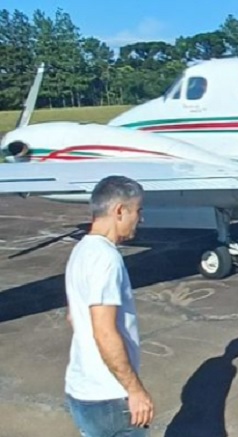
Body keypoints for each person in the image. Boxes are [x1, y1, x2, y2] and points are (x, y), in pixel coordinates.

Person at [64, 176, 154, 437]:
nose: (140, 219)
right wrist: (134, 390)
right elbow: (104, 331)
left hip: (81, 388)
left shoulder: (81, 250)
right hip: (109, 396)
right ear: (119, 211)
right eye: (138, 211)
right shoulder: (106, 259)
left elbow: (73, 316)